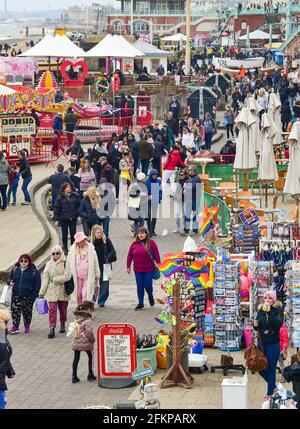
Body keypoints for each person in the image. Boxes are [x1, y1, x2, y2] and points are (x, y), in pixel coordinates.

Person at [254, 290, 284, 401]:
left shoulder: (278, 310)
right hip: (261, 344)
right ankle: (274, 388)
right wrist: (255, 325)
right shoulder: (261, 310)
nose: (267, 300)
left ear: (273, 300)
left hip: (273, 344)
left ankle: (270, 393)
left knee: (271, 369)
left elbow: (278, 324)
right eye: (266, 298)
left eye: (270, 298)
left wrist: (270, 311)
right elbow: (258, 327)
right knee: (260, 367)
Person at [39, 245, 70, 339]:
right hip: (51, 291)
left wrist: (55, 279)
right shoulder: (48, 264)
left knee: (63, 310)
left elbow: (67, 276)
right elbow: (45, 279)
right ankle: (52, 327)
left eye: (58, 253)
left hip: (63, 291)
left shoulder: (65, 263)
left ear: (61, 253)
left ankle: (63, 322)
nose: (55, 255)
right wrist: (41, 292)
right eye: (53, 253)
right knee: (52, 310)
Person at [127, 227, 161, 311]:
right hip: (138, 270)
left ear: (146, 234)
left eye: (142, 233)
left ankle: (150, 295)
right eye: (139, 233)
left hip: (149, 269)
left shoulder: (151, 243)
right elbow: (129, 256)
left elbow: (156, 254)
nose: (141, 235)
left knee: (148, 285)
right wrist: (128, 266)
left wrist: (159, 264)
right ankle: (141, 303)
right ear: (137, 235)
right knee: (140, 286)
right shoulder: (134, 244)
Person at [7, 254, 41, 335]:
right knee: (15, 312)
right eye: (21, 261)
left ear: (29, 261)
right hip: (16, 295)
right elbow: (9, 278)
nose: (23, 262)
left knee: (27, 312)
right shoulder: (15, 269)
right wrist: (9, 282)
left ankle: (27, 326)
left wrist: (33, 297)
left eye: (25, 261)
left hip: (28, 296)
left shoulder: (34, 271)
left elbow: (37, 285)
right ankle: (15, 327)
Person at [65, 232, 99, 305]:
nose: (83, 241)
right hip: (76, 277)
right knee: (78, 295)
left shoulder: (91, 249)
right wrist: (67, 275)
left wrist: (97, 275)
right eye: (81, 240)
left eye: (84, 239)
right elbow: (68, 264)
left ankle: (85, 311)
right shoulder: (72, 251)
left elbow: (96, 263)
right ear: (77, 242)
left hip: (88, 277)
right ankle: (79, 310)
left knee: (85, 295)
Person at [90, 225, 116, 307]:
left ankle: (101, 302)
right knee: (93, 286)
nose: (99, 234)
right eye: (97, 233)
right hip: (94, 267)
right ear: (94, 233)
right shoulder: (90, 243)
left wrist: (108, 257)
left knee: (105, 286)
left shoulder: (106, 241)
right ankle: (92, 301)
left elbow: (112, 252)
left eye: (101, 232)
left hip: (105, 267)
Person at [71, 301, 96, 383]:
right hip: (86, 341)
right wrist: (93, 340)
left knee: (76, 358)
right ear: (88, 309)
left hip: (77, 340)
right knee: (90, 356)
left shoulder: (75, 317)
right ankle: (90, 374)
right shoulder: (88, 320)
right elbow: (89, 333)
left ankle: (74, 376)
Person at [0, 308, 15, 409]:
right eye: (6, 322)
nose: (7, 324)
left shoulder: (2, 336)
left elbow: (5, 356)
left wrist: (10, 370)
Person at [181, 165, 201, 236]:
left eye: (189, 170)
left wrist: (186, 188)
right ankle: (186, 230)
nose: (188, 171)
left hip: (195, 199)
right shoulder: (190, 178)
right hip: (189, 198)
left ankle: (195, 230)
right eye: (188, 170)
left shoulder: (197, 178)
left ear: (193, 171)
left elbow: (192, 187)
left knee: (195, 215)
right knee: (187, 215)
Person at [145, 169, 162, 237]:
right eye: (154, 175)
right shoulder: (146, 182)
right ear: (151, 175)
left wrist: (159, 198)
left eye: (156, 175)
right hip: (148, 201)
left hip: (155, 200)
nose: (155, 176)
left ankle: (152, 230)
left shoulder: (158, 182)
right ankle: (149, 231)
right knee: (148, 216)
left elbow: (160, 191)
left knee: (154, 216)